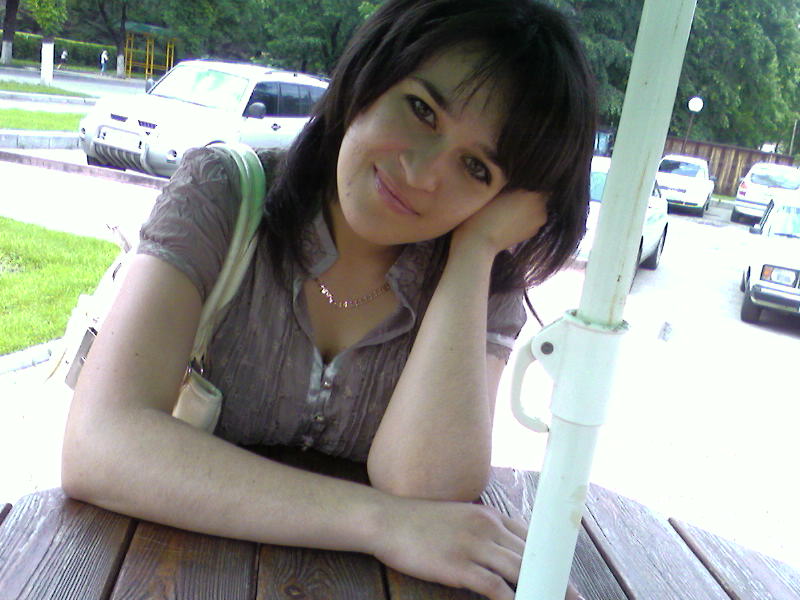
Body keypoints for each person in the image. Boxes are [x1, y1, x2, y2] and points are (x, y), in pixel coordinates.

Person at [61, 0, 596, 598]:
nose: (421, 173)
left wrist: (474, 252)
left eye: (475, 168)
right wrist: (378, 523)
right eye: (421, 110)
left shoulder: (479, 283)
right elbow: (99, 443)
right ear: (370, 78)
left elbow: (426, 489)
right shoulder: (224, 195)